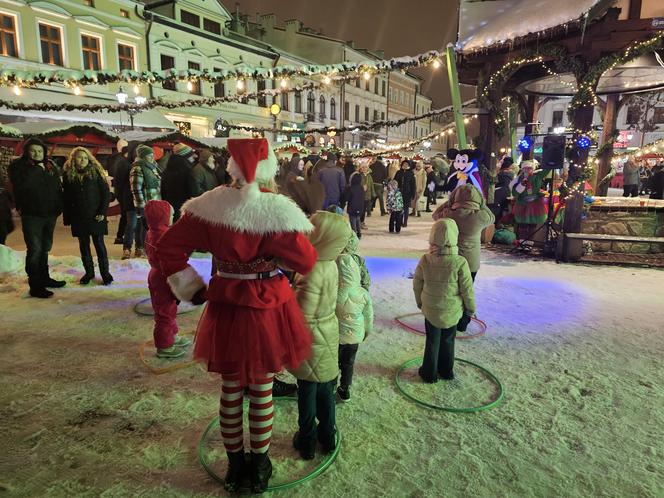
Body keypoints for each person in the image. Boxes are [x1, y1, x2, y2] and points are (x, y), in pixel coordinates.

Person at [155, 138, 316, 493]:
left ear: (231, 167)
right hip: (266, 308)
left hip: (226, 307)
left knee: (230, 389)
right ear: (269, 168)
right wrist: (273, 250)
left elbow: (168, 246)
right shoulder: (275, 209)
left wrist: (190, 286)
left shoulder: (209, 205)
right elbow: (305, 260)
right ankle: (259, 466)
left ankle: (235, 465)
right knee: (260, 390)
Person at [291, 211, 351, 460]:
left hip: (310, 337)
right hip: (328, 331)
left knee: (306, 392)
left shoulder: (310, 270)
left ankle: (306, 440)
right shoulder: (331, 266)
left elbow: (299, 308)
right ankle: (327, 436)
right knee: (326, 389)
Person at [413, 218, 475, 383]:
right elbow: (467, 289)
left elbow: (417, 283)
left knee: (432, 341)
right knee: (448, 340)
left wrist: (420, 301)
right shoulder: (460, 262)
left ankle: (429, 373)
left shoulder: (426, 259)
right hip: (452, 310)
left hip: (431, 308)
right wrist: (470, 308)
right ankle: (446, 371)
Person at [433, 184, 494, 334]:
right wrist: (482, 203)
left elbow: (435, 215)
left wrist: (450, 202)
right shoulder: (480, 216)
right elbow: (492, 217)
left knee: (450, 290)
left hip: (450, 259)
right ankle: (463, 322)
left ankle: (448, 319)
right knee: (467, 291)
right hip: (470, 262)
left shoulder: (448, 214)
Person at [8, 138, 65, 298]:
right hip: (32, 215)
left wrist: (58, 206)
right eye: (33, 151)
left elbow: (56, 187)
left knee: (45, 248)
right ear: (26, 152)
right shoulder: (18, 167)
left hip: (49, 214)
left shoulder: (50, 166)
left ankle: (44, 278)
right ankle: (35, 285)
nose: (37, 154)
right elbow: (23, 187)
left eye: (40, 151)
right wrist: (37, 170)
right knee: (35, 249)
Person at [144, 200, 192, 358]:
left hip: (156, 275)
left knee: (168, 308)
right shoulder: (165, 236)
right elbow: (173, 259)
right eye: (171, 215)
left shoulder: (151, 231)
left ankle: (172, 335)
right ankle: (164, 346)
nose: (172, 217)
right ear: (162, 217)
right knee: (165, 312)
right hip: (165, 277)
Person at [62, 147, 113, 285]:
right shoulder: (68, 176)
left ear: (89, 159)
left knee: (99, 245)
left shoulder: (96, 173)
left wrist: (102, 212)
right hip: (78, 217)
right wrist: (67, 217)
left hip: (96, 216)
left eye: (85, 157)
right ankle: (89, 273)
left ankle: (105, 273)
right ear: (74, 159)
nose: (83, 160)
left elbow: (105, 194)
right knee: (84, 246)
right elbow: (66, 198)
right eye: (79, 157)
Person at [335, 231, 373, 402]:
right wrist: (366, 331)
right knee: (348, 363)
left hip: (335, 331)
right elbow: (369, 315)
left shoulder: (332, 261)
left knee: (332, 359)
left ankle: (329, 385)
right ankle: (345, 387)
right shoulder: (357, 261)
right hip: (354, 332)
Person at [128, 144, 162, 259]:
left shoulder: (153, 167)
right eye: (149, 155)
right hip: (146, 203)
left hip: (155, 202)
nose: (152, 157)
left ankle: (150, 248)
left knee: (151, 228)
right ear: (143, 156)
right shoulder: (137, 168)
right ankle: (142, 248)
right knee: (144, 228)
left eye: (152, 155)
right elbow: (136, 189)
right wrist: (141, 206)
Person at [509, 160, 548, 240]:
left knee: (532, 225)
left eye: (529, 168)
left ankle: (529, 243)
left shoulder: (538, 176)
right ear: (522, 169)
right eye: (525, 168)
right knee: (522, 224)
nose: (527, 170)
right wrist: (522, 184)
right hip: (522, 204)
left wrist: (550, 161)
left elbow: (547, 169)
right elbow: (515, 193)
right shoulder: (518, 179)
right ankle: (522, 242)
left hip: (535, 204)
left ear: (533, 169)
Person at [161, 143, 195, 221]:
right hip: (185, 207)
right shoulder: (187, 171)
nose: (194, 156)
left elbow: (162, 191)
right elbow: (192, 191)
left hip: (170, 207)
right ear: (185, 156)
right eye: (191, 155)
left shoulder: (167, 170)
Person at [107, 139, 130, 245]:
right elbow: (121, 179)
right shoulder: (123, 163)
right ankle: (121, 236)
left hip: (120, 192)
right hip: (124, 193)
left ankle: (120, 236)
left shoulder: (116, 160)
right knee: (126, 216)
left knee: (125, 215)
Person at [394, 160, 416, 227]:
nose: (405, 165)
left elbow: (413, 184)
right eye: (404, 164)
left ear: (408, 165)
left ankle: (405, 222)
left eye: (406, 164)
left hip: (407, 193)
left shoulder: (411, 173)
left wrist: (413, 194)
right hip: (399, 193)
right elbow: (395, 182)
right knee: (399, 208)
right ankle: (399, 221)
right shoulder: (398, 172)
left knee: (406, 208)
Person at [342, 170, 365, 238]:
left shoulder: (351, 188)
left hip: (352, 207)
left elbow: (347, 197)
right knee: (358, 219)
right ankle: (359, 233)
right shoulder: (361, 188)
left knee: (353, 221)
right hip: (360, 207)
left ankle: (354, 234)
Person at [360, 162, 376, 228]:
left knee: (364, 210)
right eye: (363, 167)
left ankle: (362, 222)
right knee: (361, 210)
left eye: (365, 167)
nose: (364, 168)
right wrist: (362, 187)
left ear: (367, 168)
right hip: (361, 195)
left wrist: (373, 193)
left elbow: (371, 184)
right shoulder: (359, 175)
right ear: (361, 168)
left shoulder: (369, 176)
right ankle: (360, 222)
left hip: (367, 195)